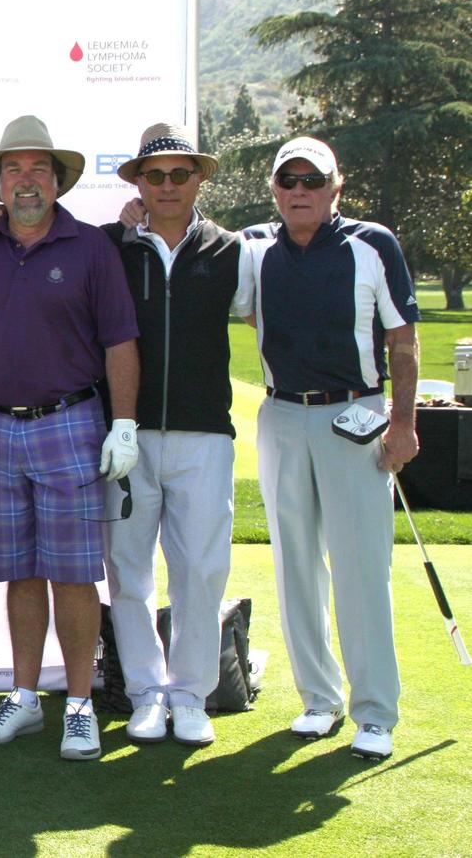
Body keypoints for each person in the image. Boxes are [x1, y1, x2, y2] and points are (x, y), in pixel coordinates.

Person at [0, 115, 139, 762]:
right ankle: (24, 698)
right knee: (19, 571)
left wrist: (125, 423)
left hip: (70, 421)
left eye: (38, 169)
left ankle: (78, 705)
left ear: (57, 181)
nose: (27, 181)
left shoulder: (90, 248)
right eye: (14, 170)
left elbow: (119, 342)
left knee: (73, 574)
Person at [239, 136, 419, 762]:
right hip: (283, 412)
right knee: (295, 566)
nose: (298, 192)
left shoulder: (373, 244)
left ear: (335, 187)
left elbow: (402, 340)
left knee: (361, 568)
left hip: (357, 411)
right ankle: (320, 699)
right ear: (274, 190)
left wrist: (403, 421)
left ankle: (375, 710)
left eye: (311, 181)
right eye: (287, 181)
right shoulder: (254, 246)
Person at [99, 123, 253, 747]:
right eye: (154, 175)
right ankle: (144, 691)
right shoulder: (109, 245)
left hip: (205, 435)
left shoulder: (232, 251)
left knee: (201, 569)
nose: (167, 185)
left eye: (179, 174)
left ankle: (190, 693)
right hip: (126, 433)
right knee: (129, 570)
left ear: (199, 180)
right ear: (137, 181)